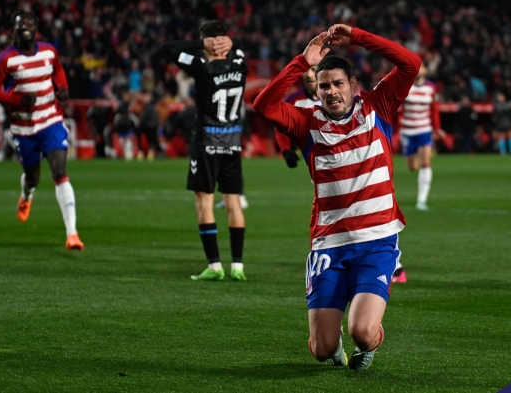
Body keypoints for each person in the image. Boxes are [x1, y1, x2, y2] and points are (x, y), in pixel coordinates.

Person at [253, 24, 421, 371]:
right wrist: (302, 62)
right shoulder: (305, 122)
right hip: (329, 244)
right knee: (322, 349)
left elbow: (410, 64)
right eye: (323, 85)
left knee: (362, 331)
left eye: (338, 84)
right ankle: (330, 340)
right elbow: (263, 105)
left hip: (376, 241)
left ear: (353, 86)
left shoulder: (379, 106)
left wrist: (359, 37)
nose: (331, 92)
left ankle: (370, 340)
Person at [0, 10, 83, 250]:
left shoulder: (49, 51)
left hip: (50, 120)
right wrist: (16, 99)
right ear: (14, 29)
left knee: (60, 171)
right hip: (24, 128)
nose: (25, 27)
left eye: (29, 22)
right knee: (33, 177)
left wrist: (63, 88)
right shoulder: (4, 59)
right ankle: (26, 194)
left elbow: (58, 71)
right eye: (20, 24)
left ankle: (72, 234)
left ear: (36, 26)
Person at [160, 20, 248, 281]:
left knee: (204, 202)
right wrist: (233, 43)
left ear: (209, 42)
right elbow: (243, 46)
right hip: (232, 144)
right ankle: (238, 267)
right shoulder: (240, 62)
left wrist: (202, 45)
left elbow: (167, 48)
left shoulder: (201, 66)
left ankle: (215, 265)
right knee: (233, 201)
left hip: (206, 143)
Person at [399, 64, 445, 212]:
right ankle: (417, 157)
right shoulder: (405, 86)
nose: (419, 69)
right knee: (413, 167)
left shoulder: (431, 88)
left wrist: (437, 129)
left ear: (425, 71)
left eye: (422, 67)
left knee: (426, 162)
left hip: (424, 129)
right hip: (407, 131)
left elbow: (434, 109)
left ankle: (421, 201)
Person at [274, 66, 320, 168]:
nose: (309, 75)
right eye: (305, 70)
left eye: (313, 70)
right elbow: (280, 126)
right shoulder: (293, 101)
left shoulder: (336, 98)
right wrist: (286, 150)